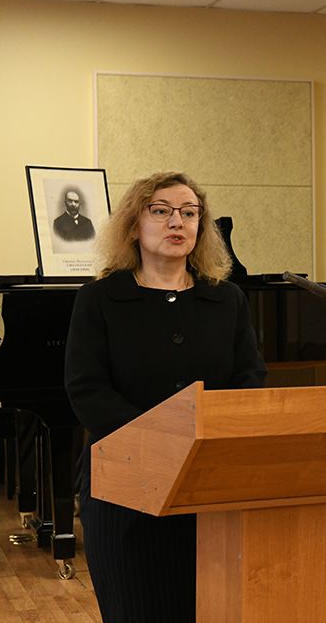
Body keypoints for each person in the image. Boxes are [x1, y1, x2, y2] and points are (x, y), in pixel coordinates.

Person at [64, 171, 266, 623]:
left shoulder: (227, 299)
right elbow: (86, 389)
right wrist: (161, 441)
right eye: (161, 211)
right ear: (134, 226)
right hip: (123, 482)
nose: (177, 222)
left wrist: (212, 436)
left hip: (210, 481)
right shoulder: (99, 299)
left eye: (190, 213)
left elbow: (250, 378)